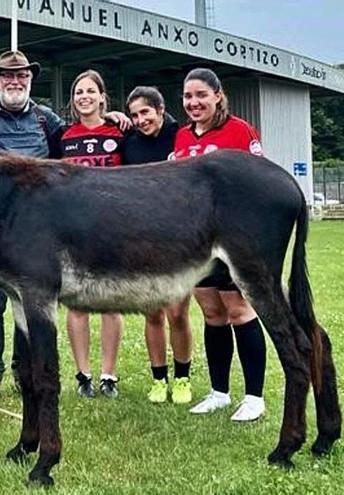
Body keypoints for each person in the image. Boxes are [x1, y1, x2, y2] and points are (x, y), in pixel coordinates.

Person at [0, 50, 130, 401]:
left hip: (37, 232)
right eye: (8, 76)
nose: (15, 81)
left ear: (29, 80)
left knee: (32, 302)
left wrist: (110, 115)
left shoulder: (45, 118)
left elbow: (79, 132)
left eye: (21, 76)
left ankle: (25, 369)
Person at [171, 68, 267, 422]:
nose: (194, 103)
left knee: (240, 310)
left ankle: (254, 397)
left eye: (200, 95)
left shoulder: (239, 131)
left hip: (233, 239)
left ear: (218, 96)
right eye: (188, 96)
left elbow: (259, 185)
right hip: (196, 243)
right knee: (212, 313)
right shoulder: (181, 137)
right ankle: (219, 392)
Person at [54, 70, 124, 398]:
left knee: (111, 302)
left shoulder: (120, 131)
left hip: (113, 230)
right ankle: (83, 375)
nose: (84, 96)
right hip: (73, 232)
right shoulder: (63, 136)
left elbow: (159, 127)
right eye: (78, 91)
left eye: (90, 91)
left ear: (101, 97)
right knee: (77, 304)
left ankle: (109, 375)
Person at [124, 86, 194, 404]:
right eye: (134, 115)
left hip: (179, 238)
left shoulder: (181, 136)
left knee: (177, 312)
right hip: (142, 239)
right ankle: (158, 379)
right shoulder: (130, 144)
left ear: (161, 110)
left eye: (145, 113)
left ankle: (182, 378)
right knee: (152, 313)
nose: (140, 120)